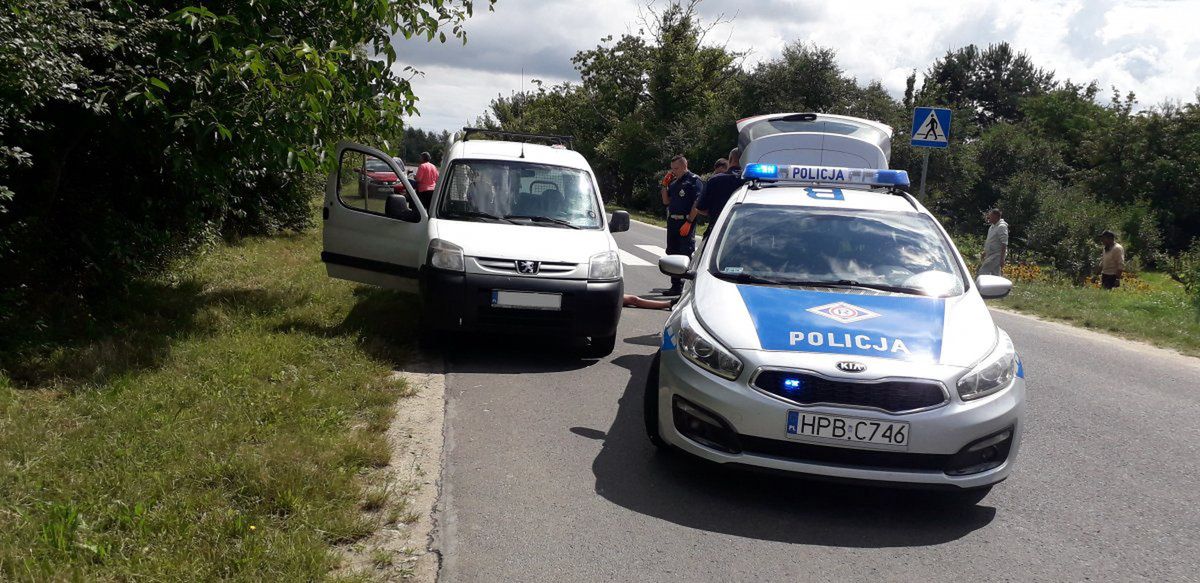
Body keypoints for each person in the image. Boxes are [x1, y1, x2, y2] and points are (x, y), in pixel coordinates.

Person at [661, 155, 703, 296]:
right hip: (672, 221)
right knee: (672, 253)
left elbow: (697, 204)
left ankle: (685, 287)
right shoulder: (673, 182)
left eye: (676, 168)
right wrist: (664, 185)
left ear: (684, 166)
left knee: (684, 253)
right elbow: (666, 201)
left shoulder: (694, 181)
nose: (673, 171)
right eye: (672, 169)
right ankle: (675, 286)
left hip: (685, 221)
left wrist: (689, 222)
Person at [689, 147, 743, 236]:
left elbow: (700, 208)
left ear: (729, 160)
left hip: (716, 232)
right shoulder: (753, 180)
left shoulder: (715, 179)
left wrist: (714, 212)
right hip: (744, 234)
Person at [979, 208, 1008, 276]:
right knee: (995, 275)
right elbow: (991, 241)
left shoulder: (1002, 227)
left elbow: (1004, 243)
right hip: (991, 254)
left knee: (983, 271)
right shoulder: (992, 227)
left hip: (997, 255)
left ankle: (980, 286)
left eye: (990, 216)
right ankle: (1000, 286)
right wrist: (985, 252)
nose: (989, 217)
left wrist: (1002, 259)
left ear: (995, 217)